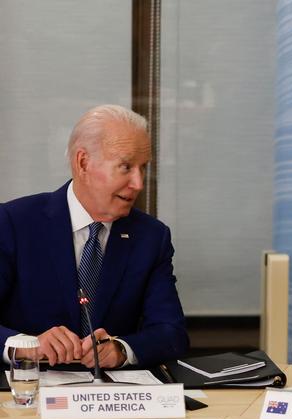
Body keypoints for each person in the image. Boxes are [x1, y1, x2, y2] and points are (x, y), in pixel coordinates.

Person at [0, 105, 189, 369]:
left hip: (112, 398)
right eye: (125, 167)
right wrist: (27, 346)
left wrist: (122, 349)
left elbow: (172, 333)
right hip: (25, 394)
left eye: (143, 168)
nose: (139, 183)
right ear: (83, 163)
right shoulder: (13, 223)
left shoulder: (151, 237)